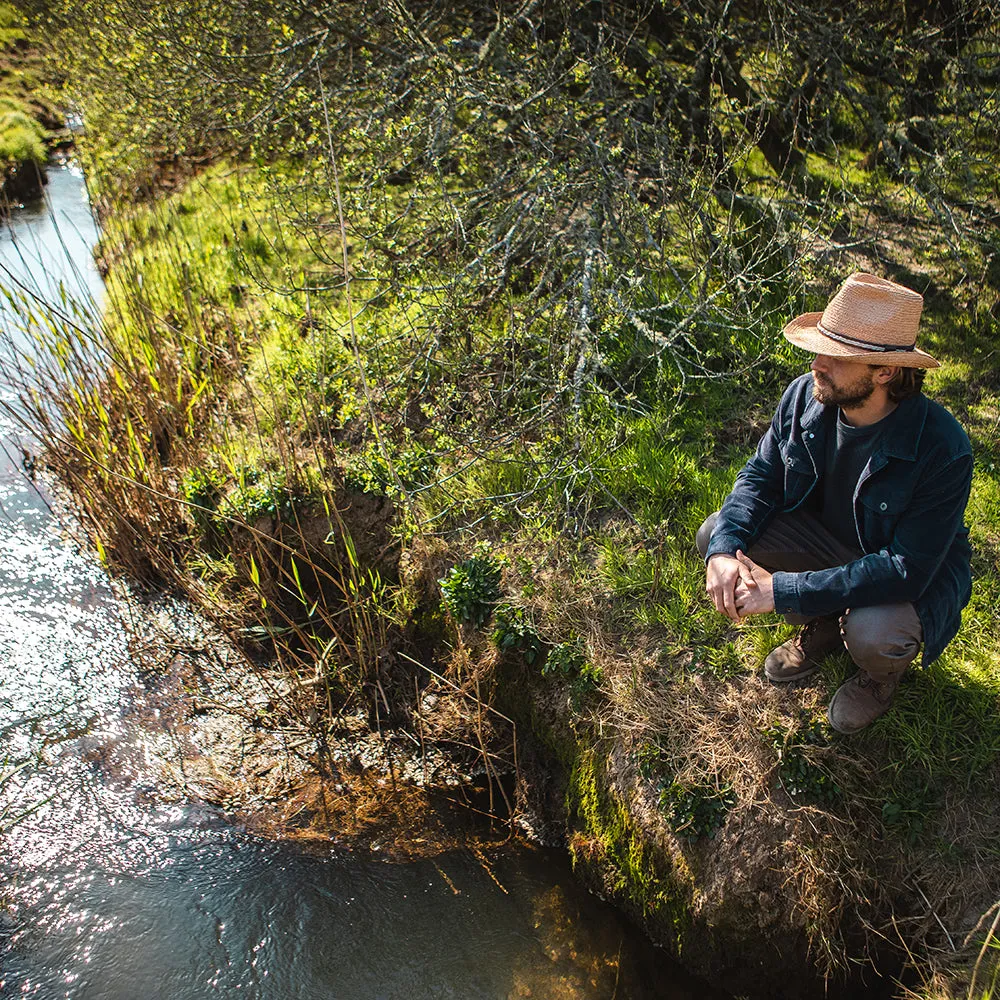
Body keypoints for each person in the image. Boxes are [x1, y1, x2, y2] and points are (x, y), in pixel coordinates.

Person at [696, 272, 973, 734]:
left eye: (837, 357)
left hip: (902, 575)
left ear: (885, 372)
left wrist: (783, 590)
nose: (817, 365)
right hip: (827, 543)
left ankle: (879, 675)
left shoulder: (943, 448)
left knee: (875, 634)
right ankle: (826, 622)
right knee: (717, 531)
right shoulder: (806, 396)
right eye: (821, 348)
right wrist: (724, 550)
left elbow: (906, 568)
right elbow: (761, 477)